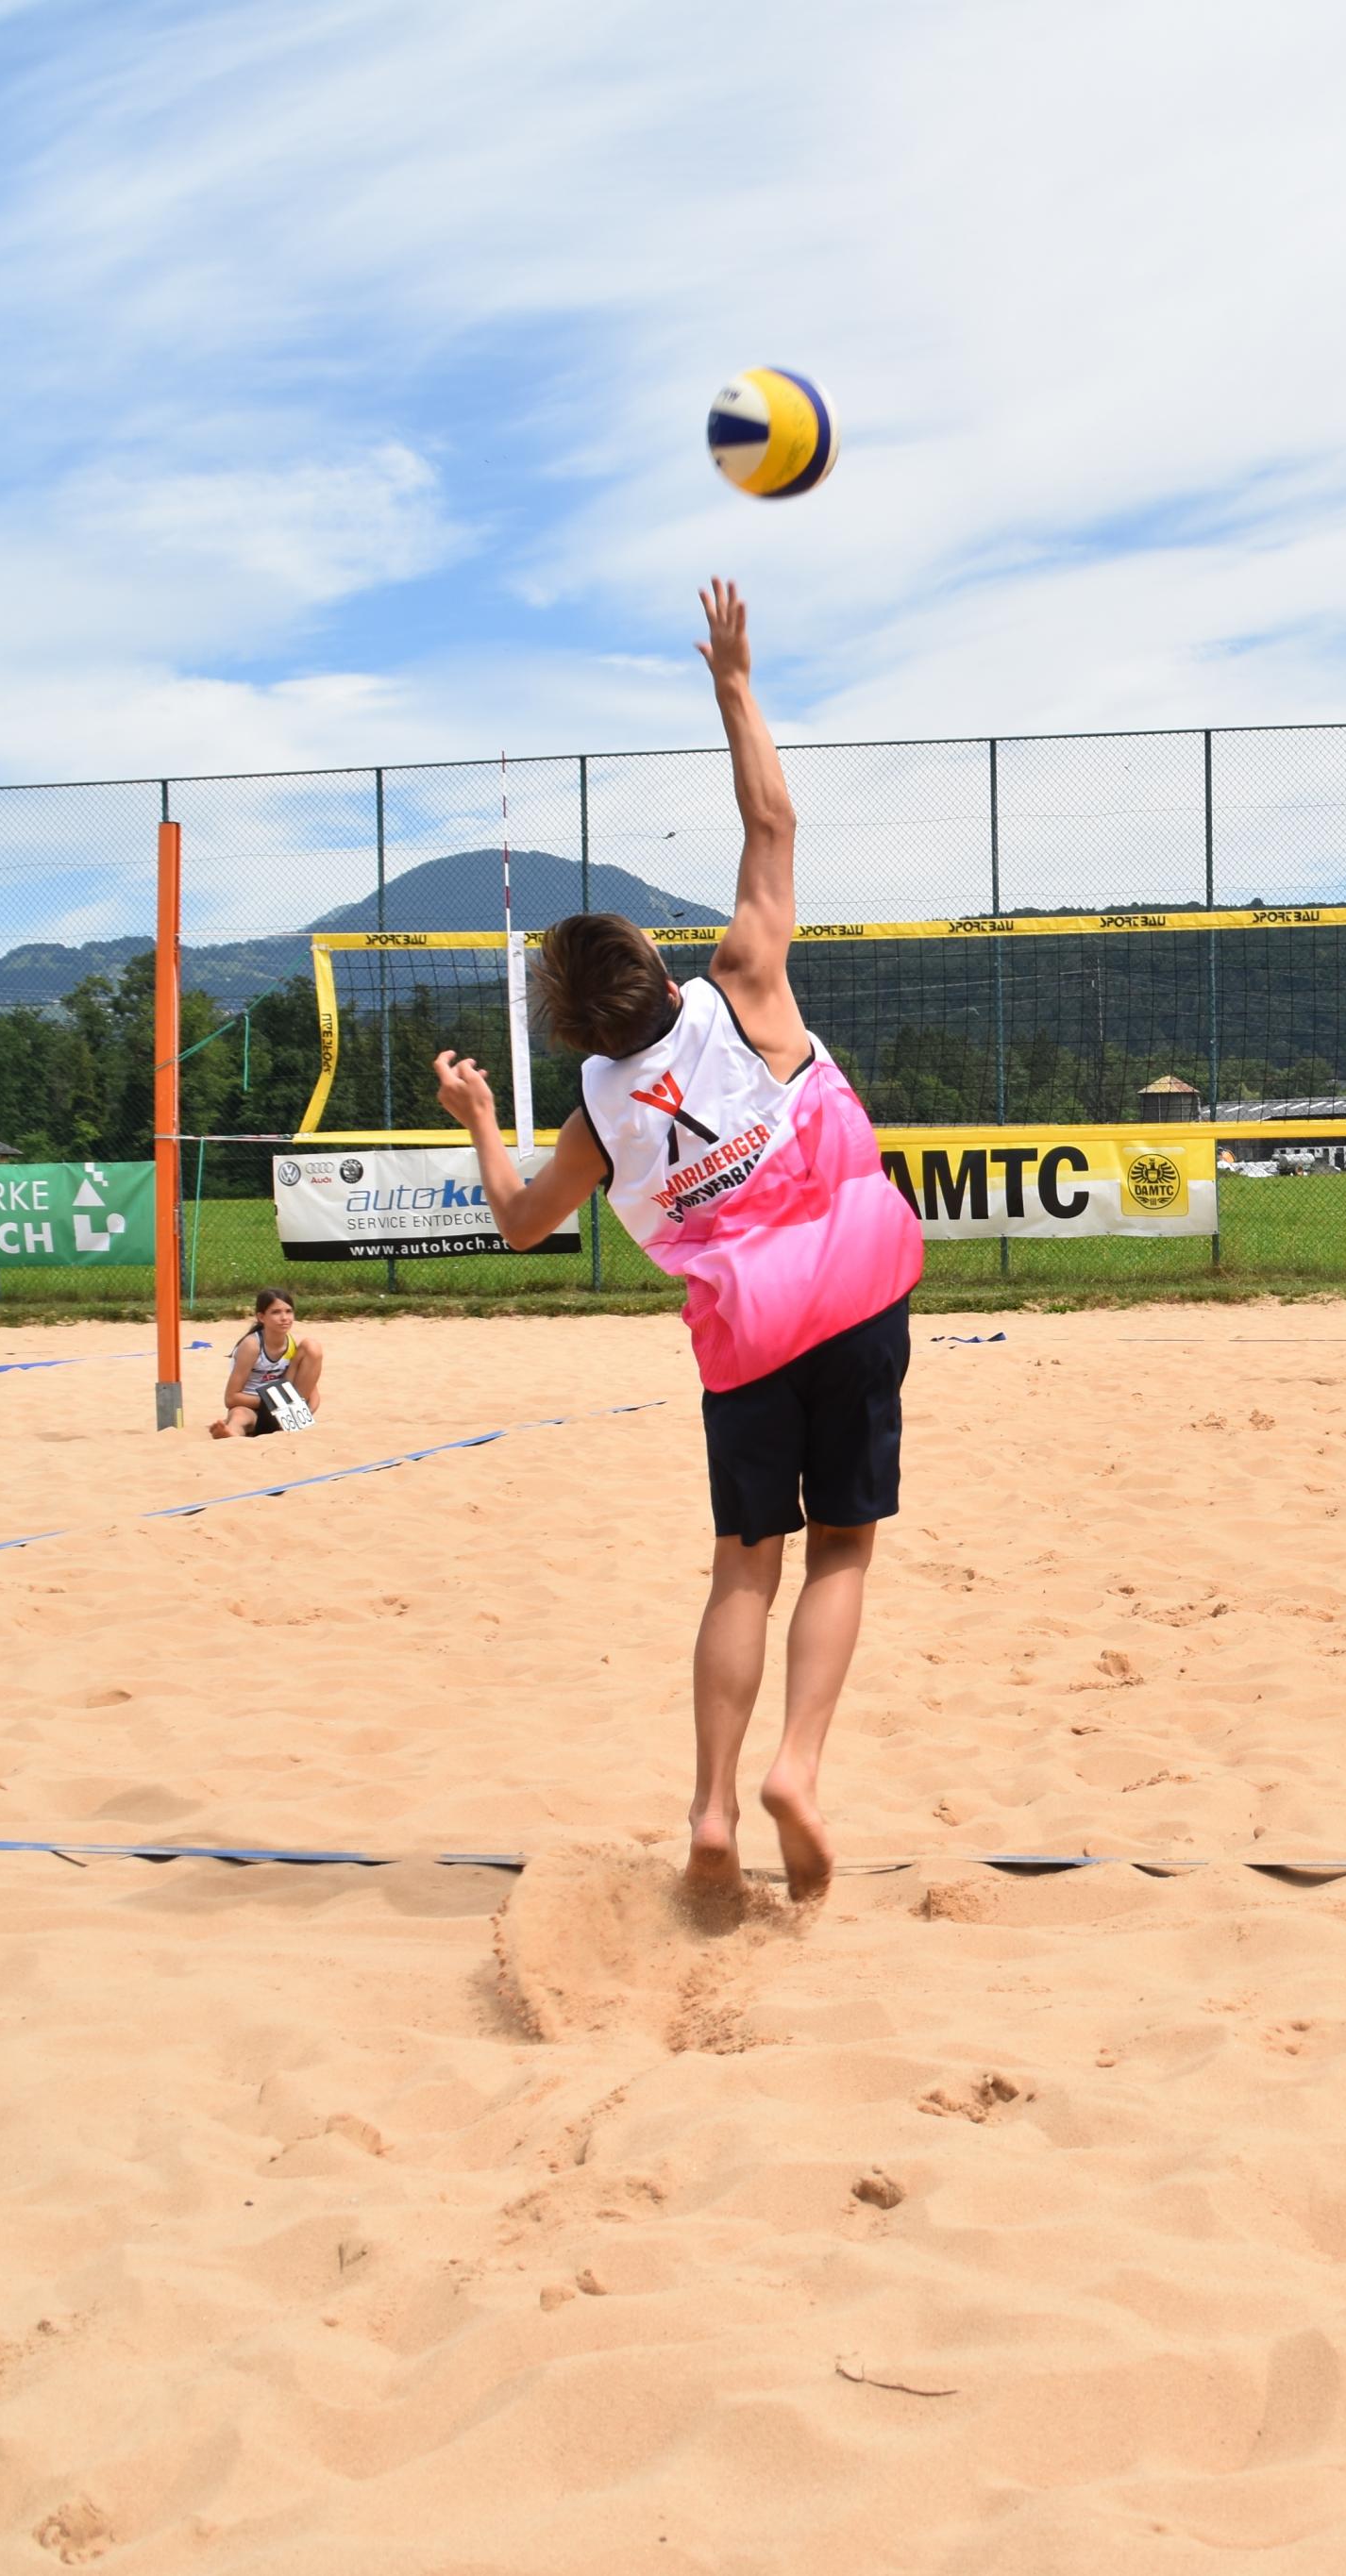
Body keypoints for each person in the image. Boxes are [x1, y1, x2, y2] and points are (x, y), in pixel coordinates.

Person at [431, 577, 924, 1909]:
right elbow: (773, 821)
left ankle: (711, 1806)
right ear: (655, 968)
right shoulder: (745, 983)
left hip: (746, 1337)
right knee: (844, 1548)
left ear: (585, 1028)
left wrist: (481, 1122)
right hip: (855, 1290)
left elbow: (521, 1225)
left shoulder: (596, 1116)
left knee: (743, 1569)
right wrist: (733, 682)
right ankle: (797, 1770)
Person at [209, 1288, 322, 1438]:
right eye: (276, 1312)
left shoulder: (292, 1345)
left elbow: (313, 1393)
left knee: (312, 1346)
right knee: (239, 1416)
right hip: (252, 1405)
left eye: (289, 1311)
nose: (284, 1318)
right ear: (261, 1317)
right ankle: (230, 1433)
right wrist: (272, 1402)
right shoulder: (252, 1345)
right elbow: (230, 1398)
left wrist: (306, 1412)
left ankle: (293, 1419)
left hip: (284, 1408)